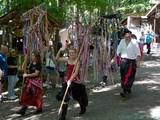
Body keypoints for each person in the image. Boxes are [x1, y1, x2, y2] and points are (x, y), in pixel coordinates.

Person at [56, 47, 88, 120]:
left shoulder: (77, 61)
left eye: (73, 53)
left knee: (77, 96)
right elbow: (57, 59)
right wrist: (60, 50)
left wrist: (70, 80)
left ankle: (83, 107)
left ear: (76, 54)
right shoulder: (67, 59)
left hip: (75, 81)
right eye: (70, 53)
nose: (71, 54)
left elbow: (76, 73)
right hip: (67, 81)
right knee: (64, 96)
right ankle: (63, 116)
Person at [16, 51, 43, 115]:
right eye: (32, 55)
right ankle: (23, 108)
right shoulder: (31, 63)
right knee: (26, 94)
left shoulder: (38, 64)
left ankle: (39, 108)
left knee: (36, 96)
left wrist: (27, 75)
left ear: (36, 57)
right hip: (29, 82)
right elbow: (23, 67)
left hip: (36, 82)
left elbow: (36, 74)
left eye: (33, 56)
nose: (32, 57)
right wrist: (25, 59)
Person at [117, 30, 141, 98]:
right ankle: (127, 88)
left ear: (131, 36)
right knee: (123, 76)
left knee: (129, 76)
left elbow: (138, 53)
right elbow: (118, 49)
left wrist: (138, 62)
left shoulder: (134, 42)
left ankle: (124, 90)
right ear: (124, 36)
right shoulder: (122, 41)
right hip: (123, 61)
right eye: (126, 36)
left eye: (129, 36)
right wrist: (118, 54)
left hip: (131, 62)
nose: (128, 38)